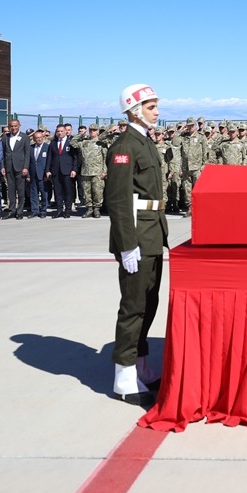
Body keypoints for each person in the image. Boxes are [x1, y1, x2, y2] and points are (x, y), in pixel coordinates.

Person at [105, 83, 168, 403]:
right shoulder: (124, 146)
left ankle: (140, 366)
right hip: (137, 237)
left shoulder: (145, 141)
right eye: (151, 107)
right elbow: (118, 199)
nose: (157, 112)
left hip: (152, 233)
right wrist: (127, 244)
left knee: (149, 303)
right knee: (133, 307)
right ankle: (124, 376)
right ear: (134, 111)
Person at [1, 118, 31, 219]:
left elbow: (27, 154)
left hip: (20, 167)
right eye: (11, 126)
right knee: (11, 191)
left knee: (21, 191)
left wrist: (26, 167)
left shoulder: (25, 137)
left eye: (15, 126)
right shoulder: (5, 138)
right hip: (9, 167)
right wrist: (2, 166)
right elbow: (2, 154)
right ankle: (12, 210)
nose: (13, 128)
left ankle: (20, 211)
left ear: (19, 126)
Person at [46, 124, 78, 218]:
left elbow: (75, 157)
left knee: (68, 191)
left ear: (65, 132)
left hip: (67, 170)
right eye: (58, 131)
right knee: (57, 191)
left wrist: (74, 169)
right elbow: (49, 157)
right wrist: (47, 170)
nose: (60, 133)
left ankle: (67, 211)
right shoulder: (53, 143)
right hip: (56, 170)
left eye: (61, 131)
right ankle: (59, 210)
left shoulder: (71, 143)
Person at [28, 129, 51, 218]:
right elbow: (28, 162)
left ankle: (43, 210)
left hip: (43, 175)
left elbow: (49, 161)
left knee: (44, 193)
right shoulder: (31, 148)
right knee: (33, 193)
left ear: (43, 138)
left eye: (41, 137)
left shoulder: (47, 147)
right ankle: (35, 210)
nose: (39, 139)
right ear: (34, 139)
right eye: (37, 138)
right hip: (33, 174)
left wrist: (47, 173)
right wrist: (28, 175)